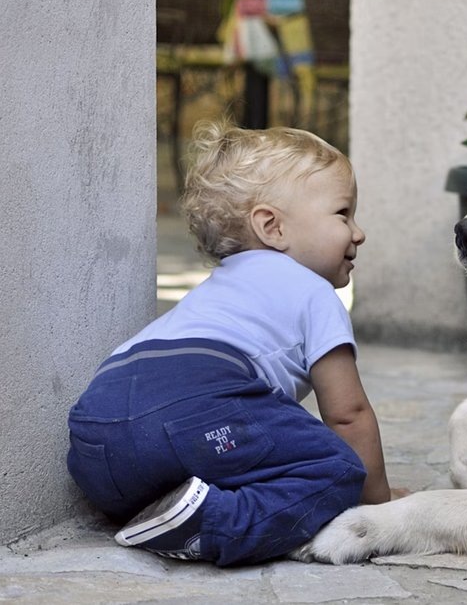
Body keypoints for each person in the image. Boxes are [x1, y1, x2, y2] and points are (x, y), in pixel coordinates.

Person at [66, 121, 390, 566]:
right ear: (272, 227)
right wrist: (377, 504)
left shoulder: (215, 291)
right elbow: (348, 415)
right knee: (337, 470)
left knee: (240, 448)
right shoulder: (313, 291)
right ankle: (214, 524)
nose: (358, 232)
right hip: (195, 402)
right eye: (343, 214)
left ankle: (170, 509)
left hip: (96, 434)